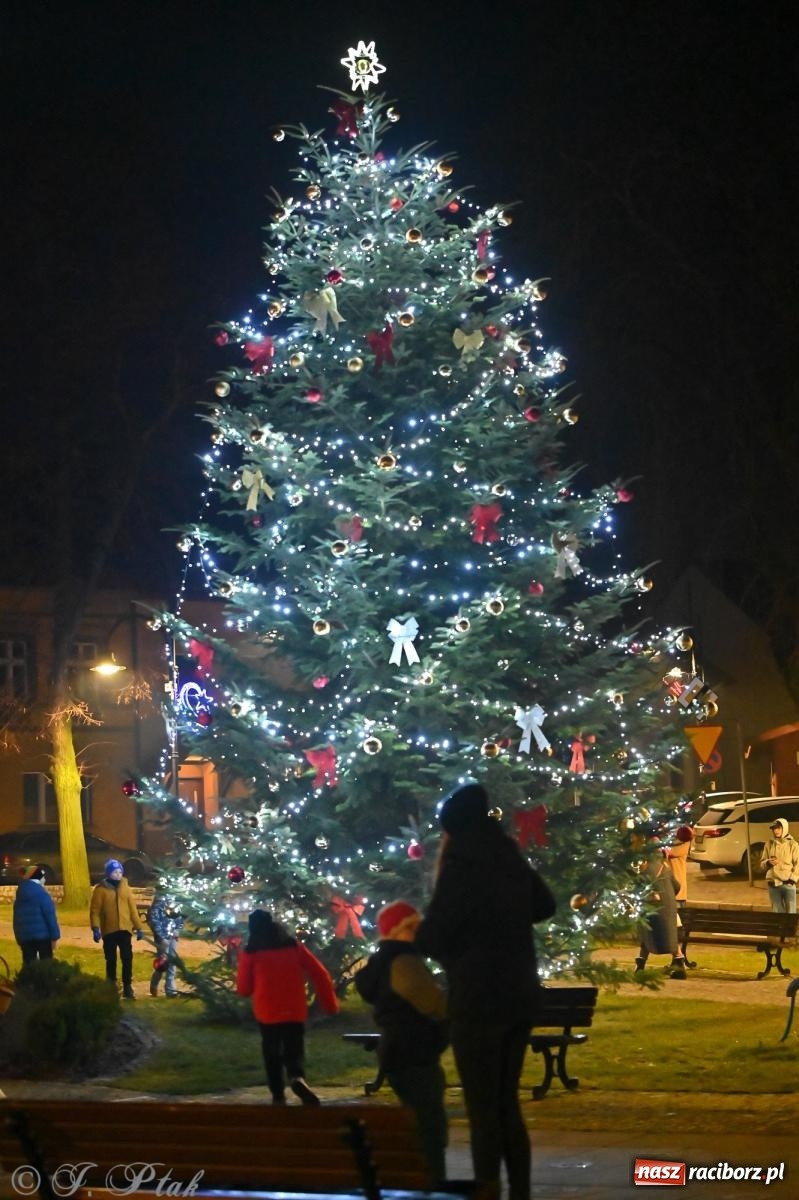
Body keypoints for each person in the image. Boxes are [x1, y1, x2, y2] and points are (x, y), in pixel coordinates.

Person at [415, 782, 556, 1200]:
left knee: (481, 1107)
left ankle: (487, 1190)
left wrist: (438, 943)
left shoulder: (460, 865)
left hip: (477, 999)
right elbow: (544, 905)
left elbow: (434, 935)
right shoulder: (507, 856)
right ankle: (521, 1192)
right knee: (506, 1101)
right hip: (518, 995)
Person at [355, 900, 449, 1185]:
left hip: (397, 1051)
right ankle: (432, 1184)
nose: (418, 932)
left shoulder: (383, 961)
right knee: (430, 1128)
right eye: (412, 926)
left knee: (420, 1121)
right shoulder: (404, 962)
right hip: (415, 1052)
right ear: (398, 931)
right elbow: (435, 1005)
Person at [236, 908, 340, 1105]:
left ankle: (277, 1094)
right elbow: (320, 973)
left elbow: (243, 989)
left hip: (267, 1011)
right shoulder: (293, 946)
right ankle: (296, 1077)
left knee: (271, 1051)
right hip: (294, 1009)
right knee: (294, 1047)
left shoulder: (252, 952)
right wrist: (330, 1004)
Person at [89, 858, 145, 998]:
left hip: (125, 929)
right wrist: (96, 928)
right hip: (109, 930)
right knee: (111, 959)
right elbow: (95, 911)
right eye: (115, 872)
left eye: (120, 872)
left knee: (127, 958)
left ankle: (127, 986)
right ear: (108, 874)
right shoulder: (101, 890)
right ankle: (111, 984)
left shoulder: (125, 887)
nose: (118, 875)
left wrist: (139, 927)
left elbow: (132, 909)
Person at [634, 849, 686, 978]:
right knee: (670, 934)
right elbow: (677, 886)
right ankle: (679, 962)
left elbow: (637, 887)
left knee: (647, 934)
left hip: (651, 908)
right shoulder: (665, 867)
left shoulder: (644, 869)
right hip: (668, 908)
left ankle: (640, 965)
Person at [13, 865, 60, 964]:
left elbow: (16, 920)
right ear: (39, 878)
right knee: (46, 966)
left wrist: (19, 938)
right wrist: (55, 936)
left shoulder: (20, 895)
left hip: (25, 938)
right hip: (43, 937)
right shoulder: (42, 894)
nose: (45, 879)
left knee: (29, 966)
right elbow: (50, 916)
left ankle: (28, 979)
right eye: (43, 877)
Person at [664, 825, 695, 968]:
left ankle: (678, 958)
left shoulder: (683, 843)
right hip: (669, 891)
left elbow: (670, 852)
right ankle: (677, 958)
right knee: (673, 927)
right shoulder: (670, 842)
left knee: (676, 927)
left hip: (678, 892)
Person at [147, 893, 184, 997]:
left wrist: (177, 930)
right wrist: (162, 937)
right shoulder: (158, 905)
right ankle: (154, 984)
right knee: (163, 962)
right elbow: (155, 922)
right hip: (162, 937)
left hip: (173, 937)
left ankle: (170, 990)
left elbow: (179, 918)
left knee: (172, 961)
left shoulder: (174, 902)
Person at [760, 818, 799, 913]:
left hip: (788, 884)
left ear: (784, 828)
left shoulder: (793, 844)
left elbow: (798, 863)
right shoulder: (769, 844)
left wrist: (792, 879)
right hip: (773, 884)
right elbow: (762, 863)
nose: (776, 831)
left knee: (791, 914)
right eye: (774, 828)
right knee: (777, 913)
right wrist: (768, 862)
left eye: (778, 828)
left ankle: (789, 928)